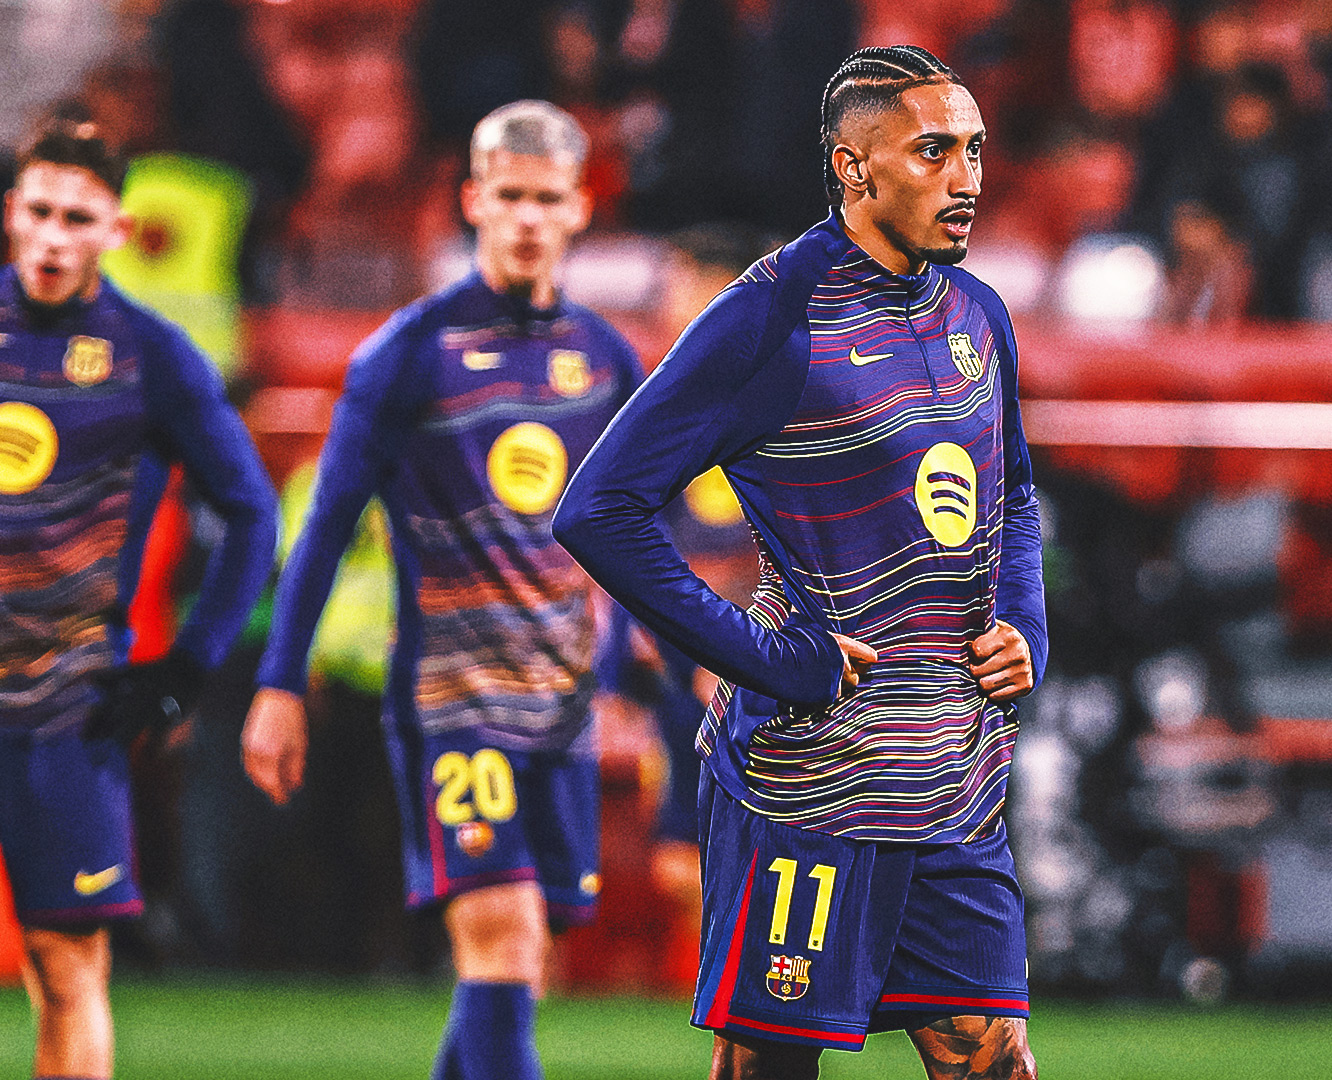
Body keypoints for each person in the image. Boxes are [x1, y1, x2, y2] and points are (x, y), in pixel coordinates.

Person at [553, 45, 1047, 1080]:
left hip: (955, 780)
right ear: (853, 168)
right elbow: (599, 510)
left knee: (993, 1058)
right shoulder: (771, 314)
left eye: (974, 149)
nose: (966, 176)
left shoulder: (979, 314)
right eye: (933, 151)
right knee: (770, 1069)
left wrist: (1023, 624)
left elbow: (1011, 493)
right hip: (807, 785)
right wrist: (767, 658)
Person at [240, 100, 645, 1080]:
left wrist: (625, 673)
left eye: (546, 198)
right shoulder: (407, 353)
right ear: (472, 201)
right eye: (509, 197)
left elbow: (632, 536)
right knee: (503, 936)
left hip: (561, 703)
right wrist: (279, 682)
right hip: (450, 699)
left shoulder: (606, 360)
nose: (527, 219)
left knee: (522, 959)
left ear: (579, 208)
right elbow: (325, 528)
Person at [0, 115, 278, 1080]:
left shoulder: (151, 355)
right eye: (39, 212)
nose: (53, 237)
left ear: (116, 230)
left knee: (66, 962)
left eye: (77, 218)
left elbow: (251, 515)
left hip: (66, 705)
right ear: (11, 211)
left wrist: (187, 667)